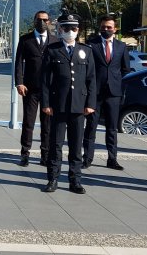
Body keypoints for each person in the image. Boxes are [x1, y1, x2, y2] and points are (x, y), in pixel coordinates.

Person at [41, 13, 96, 194]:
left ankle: (75, 181)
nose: (70, 32)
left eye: (73, 28)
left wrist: (90, 103)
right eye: (66, 28)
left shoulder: (86, 51)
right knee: (56, 145)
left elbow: (91, 80)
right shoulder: (52, 50)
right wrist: (46, 104)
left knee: (75, 146)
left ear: (78, 30)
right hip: (58, 105)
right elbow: (45, 81)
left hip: (79, 106)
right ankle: (53, 179)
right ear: (60, 29)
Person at [82, 16, 131, 170]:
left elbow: (125, 68)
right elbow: (86, 68)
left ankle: (112, 159)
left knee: (112, 128)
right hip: (94, 92)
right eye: (103, 27)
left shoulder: (121, 46)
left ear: (115, 29)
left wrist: (114, 80)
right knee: (91, 127)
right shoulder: (91, 45)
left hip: (113, 93)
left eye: (109, 27)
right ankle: (87, 158)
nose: (106, 29)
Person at [15, 11, 57, 167]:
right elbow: (19, 62)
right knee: (28, 122)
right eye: (39, 19)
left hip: (49, 89)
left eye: (45, 20)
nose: (42, 22)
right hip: (30, 88)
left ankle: (45, 154)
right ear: (34, 21)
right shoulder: (26, 40)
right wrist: (19, 82)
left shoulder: (54, 40)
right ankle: (25, 153)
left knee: (47, 124)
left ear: (49, 21)